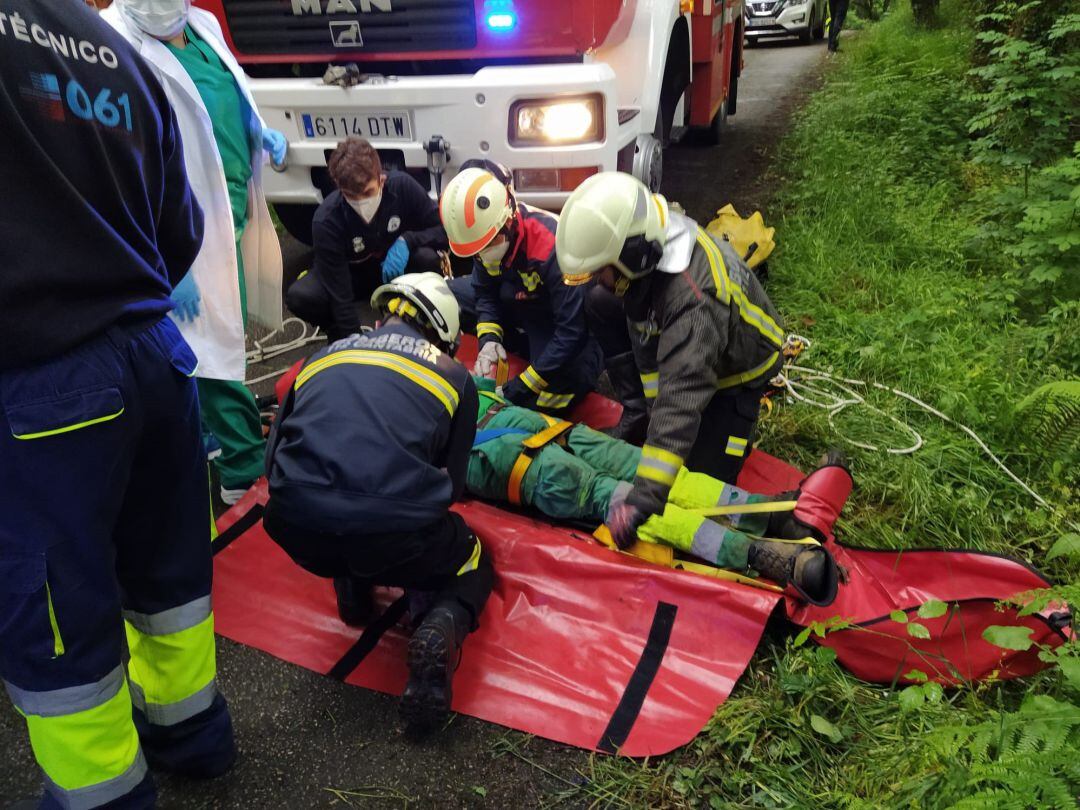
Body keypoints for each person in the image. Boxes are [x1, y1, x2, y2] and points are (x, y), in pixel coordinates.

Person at [0, 1, 235, 806]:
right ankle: (193, 735)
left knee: (57, 612)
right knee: (168, 572)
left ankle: (102, 795)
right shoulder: (111, 49)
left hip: (43, 379)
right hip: (157, 359)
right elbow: (181, 227)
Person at [263, 273, 492, 733]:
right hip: (394, 539)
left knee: (346, 504)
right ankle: (443, 623)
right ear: (443, 333)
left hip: (295, 527)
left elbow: (271, 465)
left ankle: (352, 591)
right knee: (471, 555)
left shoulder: (317, 358)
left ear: (384, 314)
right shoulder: (454, 377)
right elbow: (455, 487)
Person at [104, 0, 286, 504]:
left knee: (223, 336)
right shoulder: (111, 42)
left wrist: (256, 130)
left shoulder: (201, 26)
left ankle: (209, 437)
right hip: (177, 229)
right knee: (208, 350)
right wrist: (168, 255)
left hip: (227, 212)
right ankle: (241, 470)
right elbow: (123, 159)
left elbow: (224, 98)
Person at [556, 172, 787, 550]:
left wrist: (643, 498)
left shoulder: (693, 299)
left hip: (739, 371)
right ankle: (640, 415)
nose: (599, 279)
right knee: (600, 303)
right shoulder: (647, 258)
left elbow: (680, 400)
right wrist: (648, 412)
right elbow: (648, 339)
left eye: (603, 270)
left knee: (697, 488)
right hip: (695, 351)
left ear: (633, 255)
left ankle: (735, 445)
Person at [467, 379, 840, 605]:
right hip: (495, 456)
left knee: (655, 473)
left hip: (541, 426)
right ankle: (762, 556)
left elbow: (480, 386)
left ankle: (774, 514)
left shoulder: (430, 365)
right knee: (620, 499)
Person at [440, 162, 603, 415]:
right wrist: (489, 340)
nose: (483, 255)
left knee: (558, 387)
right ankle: (517, 344)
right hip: (517, 301)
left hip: (553, 317)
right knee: (444, 298)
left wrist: (523, 385)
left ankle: (549, 355)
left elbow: (571, 331)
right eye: (476, 251)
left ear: (509, 219)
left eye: (490, 243)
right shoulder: (482, 238)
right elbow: (484, 293)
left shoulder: (555, 246)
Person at [286, 137, 449, 342]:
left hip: (395, 270)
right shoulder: (326, 220)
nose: (361, 202)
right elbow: (339, 294)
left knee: (428, 259)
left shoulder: (403, 187)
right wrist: (355, 341)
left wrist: (408, 240)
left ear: (381, 180)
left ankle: (419, 322)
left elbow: (444, 231)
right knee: (301, 296)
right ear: (339, 189)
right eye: (351, 196)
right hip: (350, 277)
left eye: (367, 192)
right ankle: (337, 333)